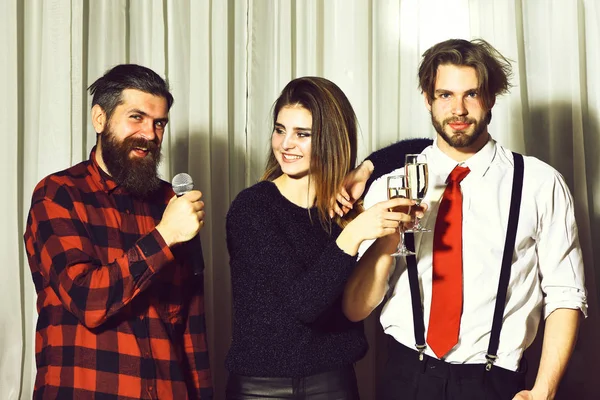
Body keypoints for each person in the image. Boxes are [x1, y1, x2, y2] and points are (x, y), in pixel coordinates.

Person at [340, 39, 587, 399]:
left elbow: (566, 293)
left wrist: (544, 390)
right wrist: (388, 240)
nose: (458, 109)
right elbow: (355, 308)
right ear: (427, 98)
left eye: (471, 94)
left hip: (494, 382)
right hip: (405, 376)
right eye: (444, 95)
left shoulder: (539, 182)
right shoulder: (391, 185)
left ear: (490, 98)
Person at [24, 64, 213, 399]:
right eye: (136, 117)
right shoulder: (58, 194)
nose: (151, 134)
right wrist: (164, 236)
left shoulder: (172, 202)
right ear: (100, 119)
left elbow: (190, 326)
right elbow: (87, 301)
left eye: (159, 123)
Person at [224, 76, 413, 399]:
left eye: (302, 134)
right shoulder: (253, 208)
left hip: (334, 383)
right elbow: (304, 304)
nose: (285, 144)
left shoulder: (341, 206)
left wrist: (365, 170)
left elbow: (423, 147)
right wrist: (352, 234)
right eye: (280, 130)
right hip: (261, 389)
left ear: (329, 139)